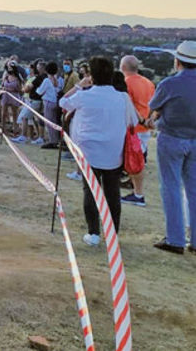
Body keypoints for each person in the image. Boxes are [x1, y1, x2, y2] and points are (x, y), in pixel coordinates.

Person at [60, 56, 136, 247]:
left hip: (89, 151)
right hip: (114, 152)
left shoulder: (85, 95)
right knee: (112, 193)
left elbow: (63, 102)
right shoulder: (122, 98)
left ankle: (93, 232)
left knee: (91, 192)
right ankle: (113, 234)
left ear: (91, 76)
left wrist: (80, 85)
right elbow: (132, 122)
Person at [147, 40, 196, 255]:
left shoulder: (169, 84)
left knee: (171, 188)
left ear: (178, 62)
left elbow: (154, 108)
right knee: (194, 191)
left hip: (172, 138)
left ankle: (175, 239)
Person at [120, 55, 155, 207]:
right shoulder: (148, 83)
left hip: (134, 128)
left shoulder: (126, 83)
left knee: (135, 161)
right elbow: (154, 104)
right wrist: (149, 121)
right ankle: (135, 190)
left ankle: (138, 194)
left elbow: (129, 105)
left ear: (123, 68)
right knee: (137, 159)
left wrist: (141, 120)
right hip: (145, 126)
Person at [37, 61, 63, 149]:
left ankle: (53, 141)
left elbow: (39, 91)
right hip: (55, 102)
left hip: (48, 102)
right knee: (54, 121)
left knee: (49, 123)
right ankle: (55, 140)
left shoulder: (47, 80)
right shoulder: (58, 80)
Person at [0, 59, 24, 135]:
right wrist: (3, 88)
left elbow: (20, 89)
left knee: (14, 114)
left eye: (11, 67)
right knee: (3, 113)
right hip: (6, 95)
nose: (9, 68)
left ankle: (15, 129)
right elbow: (2, 85)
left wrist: (14, 89)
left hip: (14, 96)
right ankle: (2, 128)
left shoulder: (18, 78)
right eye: (9, 67)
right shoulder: (6, 76)